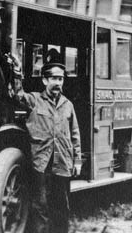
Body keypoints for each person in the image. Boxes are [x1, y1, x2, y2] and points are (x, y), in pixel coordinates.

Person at [10, 49, 82, 233]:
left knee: (61, 207)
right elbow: (18, 95)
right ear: (45, 80)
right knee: (39, 206)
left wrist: (78, 160)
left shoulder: (68, 105)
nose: (58, 83)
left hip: (63, 163)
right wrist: (17, 72)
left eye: (61, 79)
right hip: (41, 163)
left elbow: (75, 134)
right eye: (54, 79)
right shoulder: (34, 100)